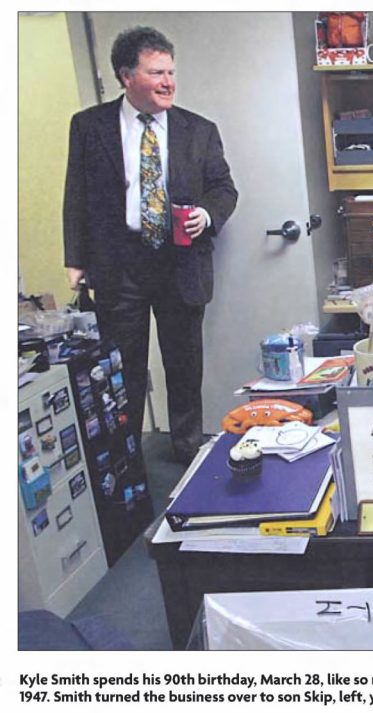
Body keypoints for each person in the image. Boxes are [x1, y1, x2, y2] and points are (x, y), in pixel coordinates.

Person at [63, 26, 238, 464]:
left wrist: (207, 215)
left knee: (183, 363)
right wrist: (75, 259)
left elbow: (224, 188)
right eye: (156, 72)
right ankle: (127, 458)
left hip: (181, 261)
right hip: (119, 264)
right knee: (125, 369)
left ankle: (187, 448)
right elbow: (76, 195)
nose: (168, 82)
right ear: (127, 76)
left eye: (171, 72)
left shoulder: (198, 130)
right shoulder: (89, 127)